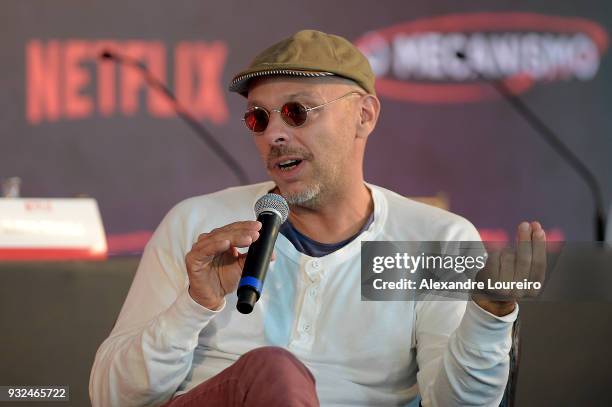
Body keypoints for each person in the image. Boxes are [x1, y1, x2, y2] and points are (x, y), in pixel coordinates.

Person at [89, 30, 547, 407]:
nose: (276, 134)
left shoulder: (433, 240)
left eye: (296, 112)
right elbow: (111, 397)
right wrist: (193, 304)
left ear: (364, 116)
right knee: (274, 373)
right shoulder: (198, 225)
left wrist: (490, 315)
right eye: (258, 119)